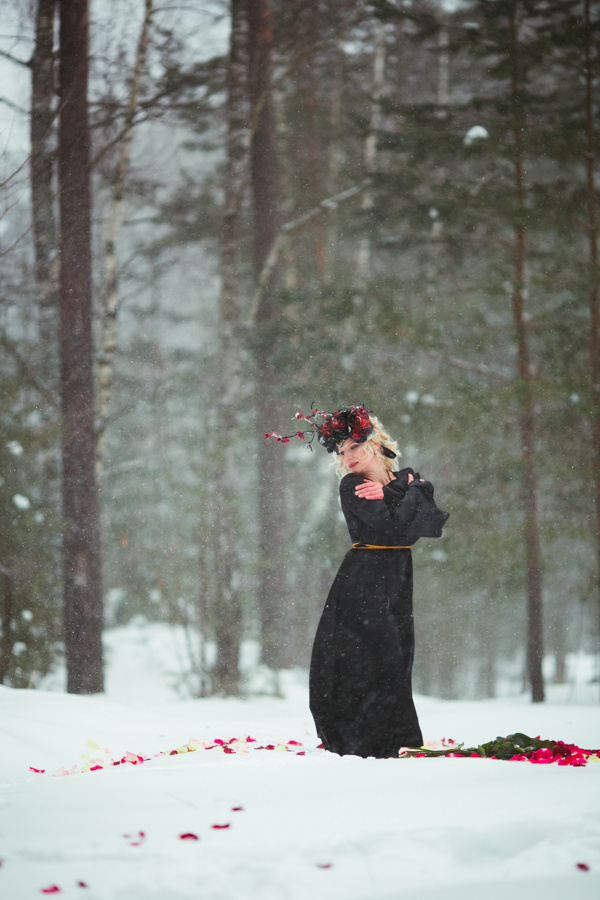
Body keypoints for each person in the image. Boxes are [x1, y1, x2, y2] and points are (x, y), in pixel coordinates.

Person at [266, 406, 449, 758]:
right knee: (371, 656)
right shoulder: (353, 485)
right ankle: (363, 737)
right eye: (341, 451)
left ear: (374, 442)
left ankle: (392, 737)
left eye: (352, 447)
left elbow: (429, 525)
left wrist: (400, 492)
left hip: (397, 576)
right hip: (365, 577)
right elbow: (398, 527)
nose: (346, 457)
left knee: (398, 653)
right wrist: (409, 492)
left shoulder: (399, 480)